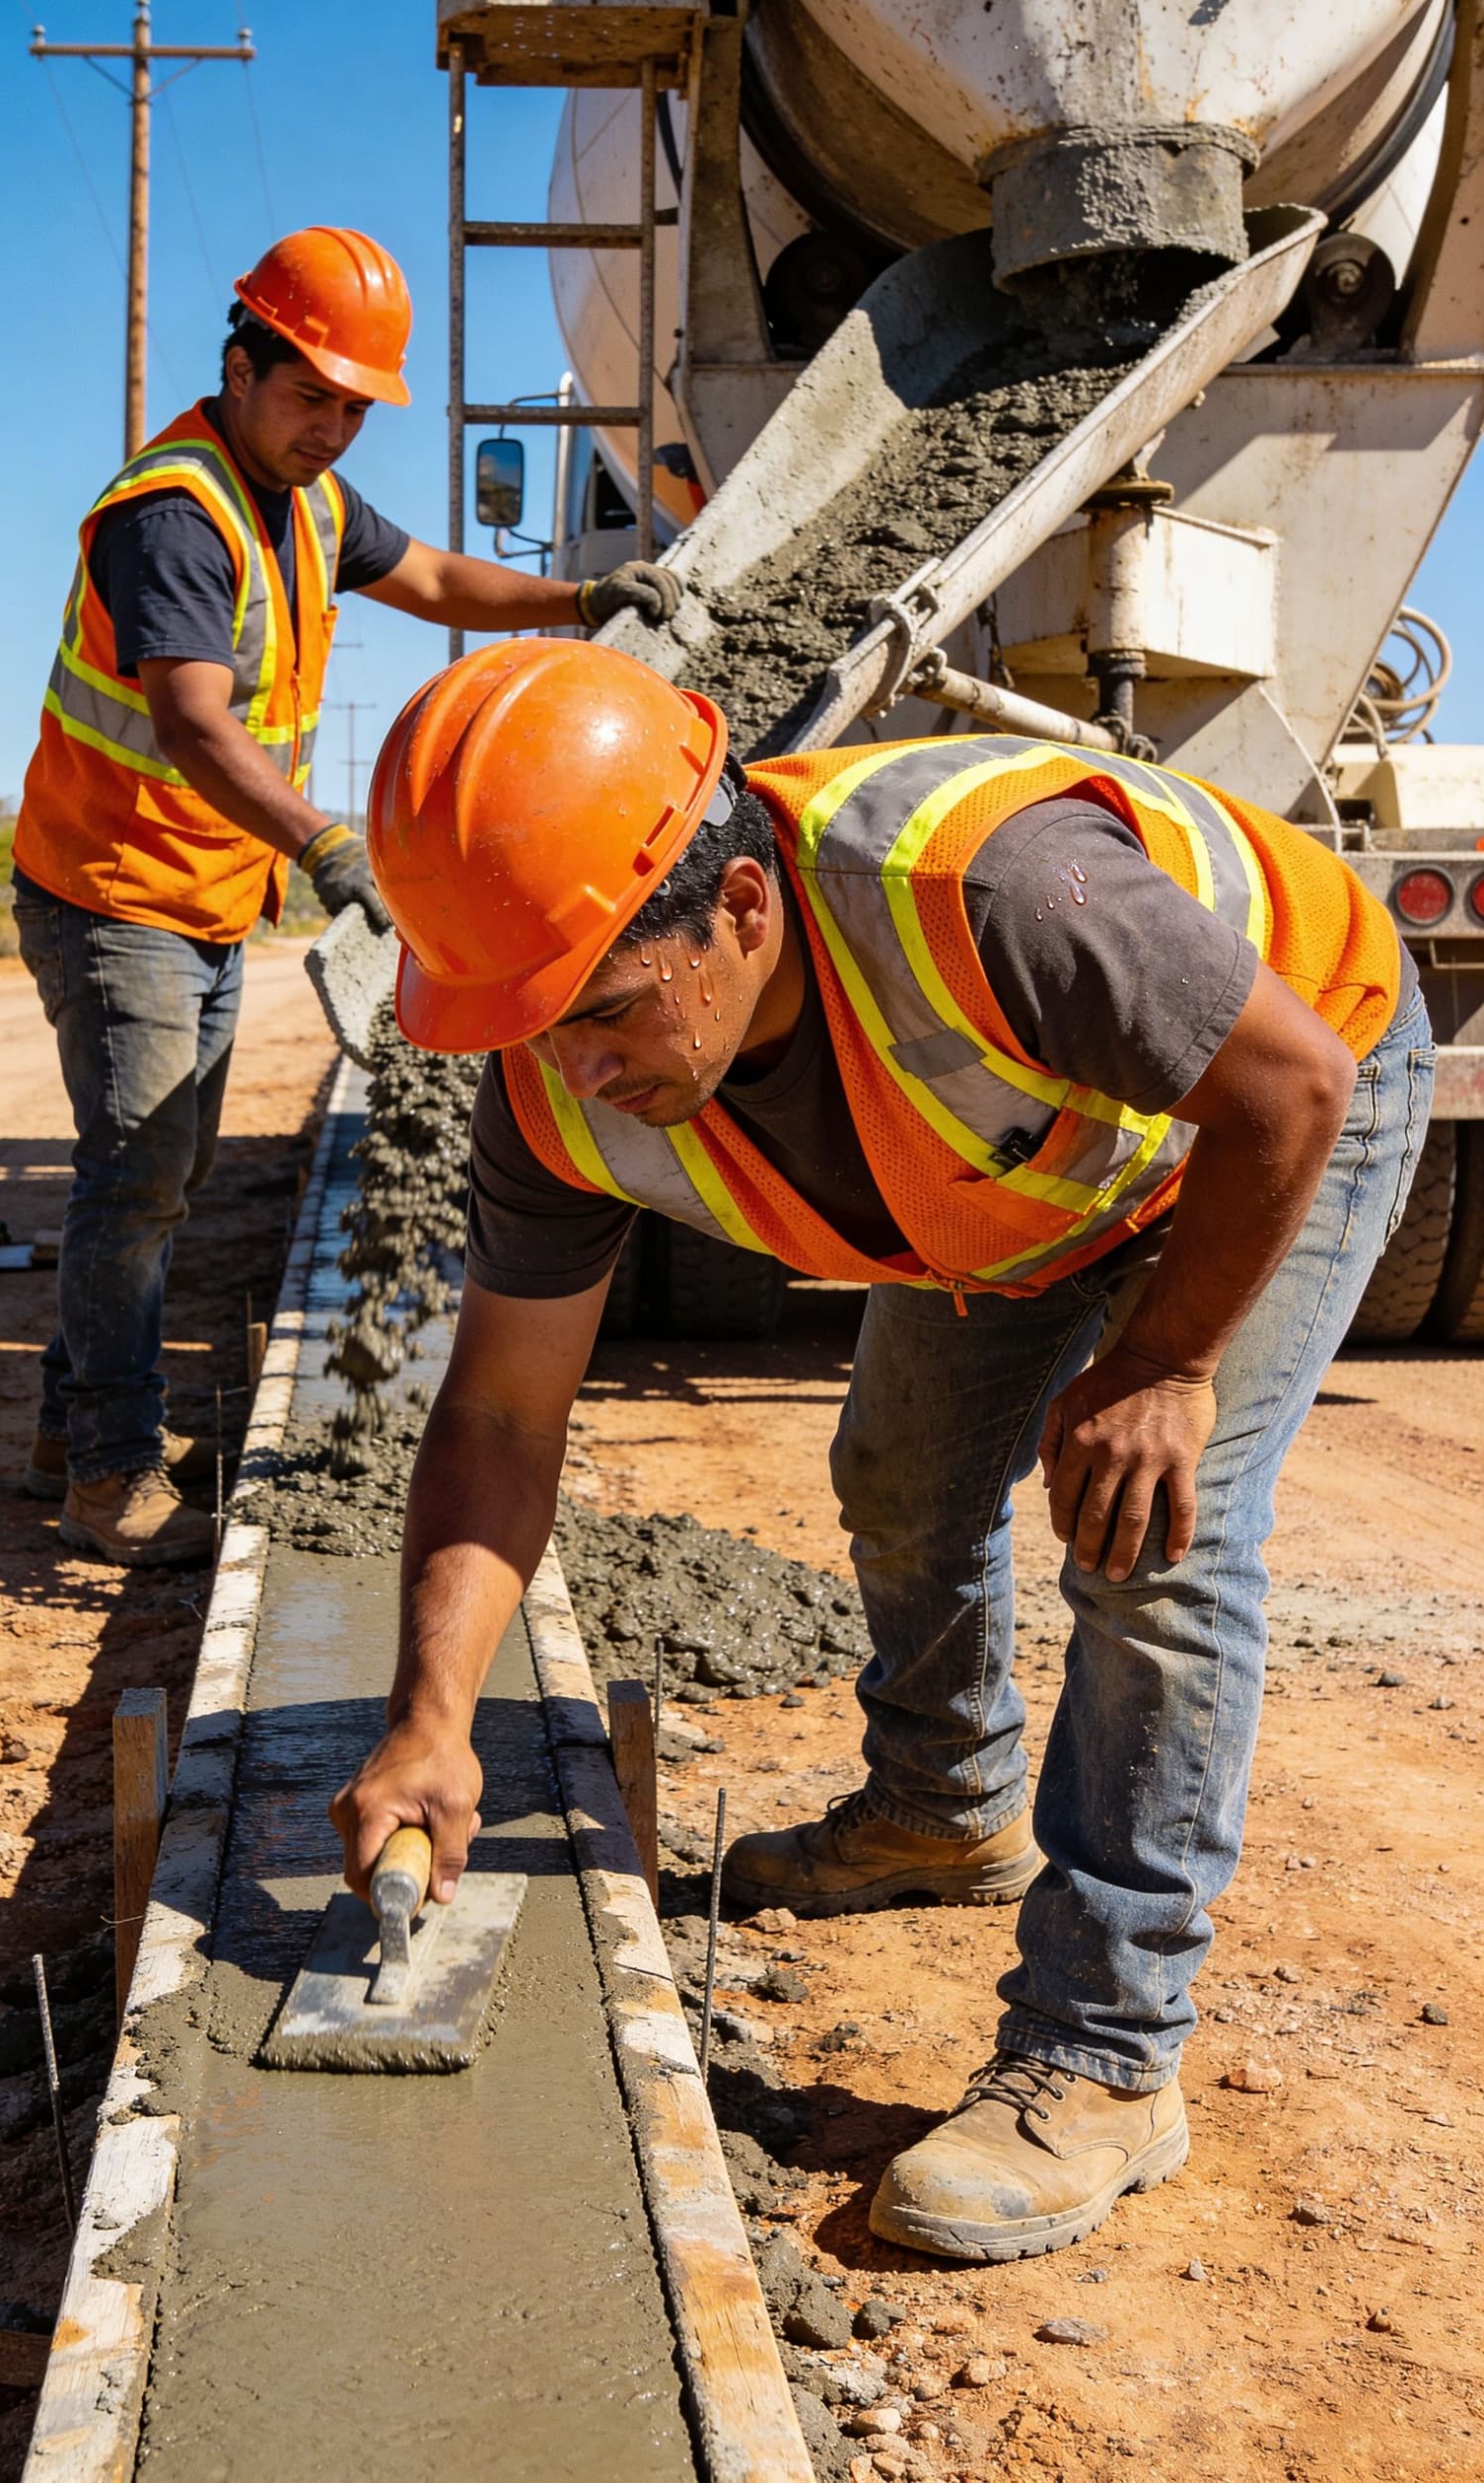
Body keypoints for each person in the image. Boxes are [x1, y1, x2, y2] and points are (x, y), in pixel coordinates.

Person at [330, 636, 1426, 2263]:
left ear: (746, 910)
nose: (579, 1068)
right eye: (535, 1025)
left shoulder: (992, 895)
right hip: (1018, 1168)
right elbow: (497, 1413)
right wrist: (429, 1718)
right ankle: (944, 1803)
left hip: (1269, 1097)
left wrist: (1169, 1359)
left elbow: (1291, 1086)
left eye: (612, 1012)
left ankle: (1108, 2051)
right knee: (903, 1477)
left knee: (1149, 1529)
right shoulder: (555, 1078)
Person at [11, 229, 680, 1566]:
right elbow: (197, 723)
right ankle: (104, 1479)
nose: (330, 429)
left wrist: (578, 595)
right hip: (112, 888)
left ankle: (75, 1420)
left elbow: (431, 577)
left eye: (352, 408)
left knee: (161, 1170)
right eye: (308, 394)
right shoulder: (176, 514)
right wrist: (328, 845)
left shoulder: (308, 503)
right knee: (137, 1176)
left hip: (196, 892)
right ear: (239, 366)